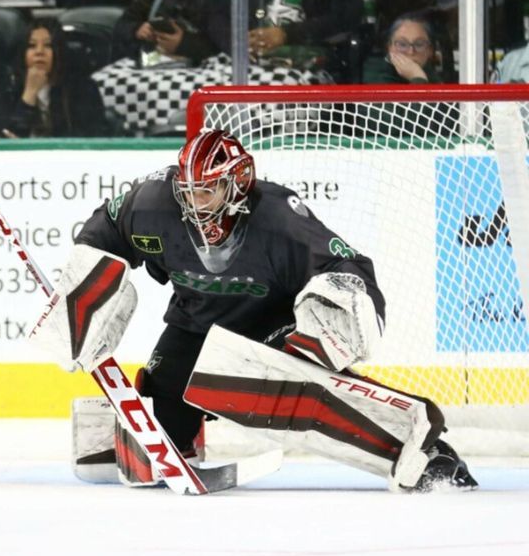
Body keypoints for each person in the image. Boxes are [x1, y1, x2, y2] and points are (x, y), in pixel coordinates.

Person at [31, 129, 476, 492]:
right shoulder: (151, 205)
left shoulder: (279, 219)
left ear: (238, 181)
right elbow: (100, 234)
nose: (194, 203)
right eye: (188, 191)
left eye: (208, 190)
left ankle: (423, 447)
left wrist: (325, 330)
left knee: (289, 393)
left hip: (268, 327)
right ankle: (185, 431)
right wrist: (82, 300)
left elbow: (348, 267)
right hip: (194, 323)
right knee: (155, 433)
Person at [0, 20, 111, 138]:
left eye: (48, 45)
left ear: (60, 50)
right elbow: (6, 141)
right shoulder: (10, 87)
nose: (39, 52)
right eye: (31, 46)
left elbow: (89, 138)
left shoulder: (82, 88)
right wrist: (29, 94)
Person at [363, 13, 442, 83]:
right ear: (389, 47)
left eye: (419, 44)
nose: (411, 52)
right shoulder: (377, 76)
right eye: (402, 44)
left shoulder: (428, 72)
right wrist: (418, 78)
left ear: (430, 50)